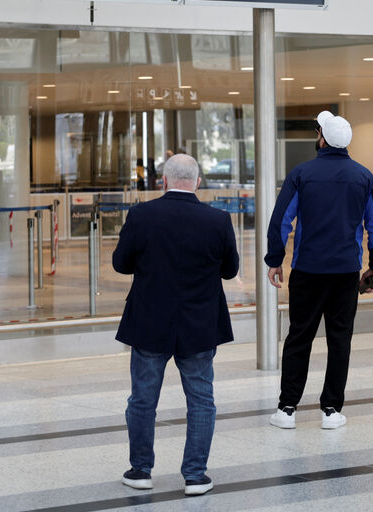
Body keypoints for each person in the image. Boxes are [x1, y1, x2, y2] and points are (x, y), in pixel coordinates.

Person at [112, 153, 239, 497]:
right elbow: (230, 270)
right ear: (198, 183)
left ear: (163, 181)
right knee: (201, 399)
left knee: (142, 398)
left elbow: (121, 264)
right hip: (199, 324)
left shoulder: (142, 215)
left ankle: (140, 470)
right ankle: (195, 475)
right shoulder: (218, 220)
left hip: (150, 321)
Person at [265, 110, 373, 431]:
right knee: (340, 338)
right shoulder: (364, 177)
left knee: (299, 337)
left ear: (322, 138)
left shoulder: (301, 174)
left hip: (307, 270)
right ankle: (331, 409)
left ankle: (287, 408)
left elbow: (281, 221)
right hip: (346, 272)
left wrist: (274, 259)